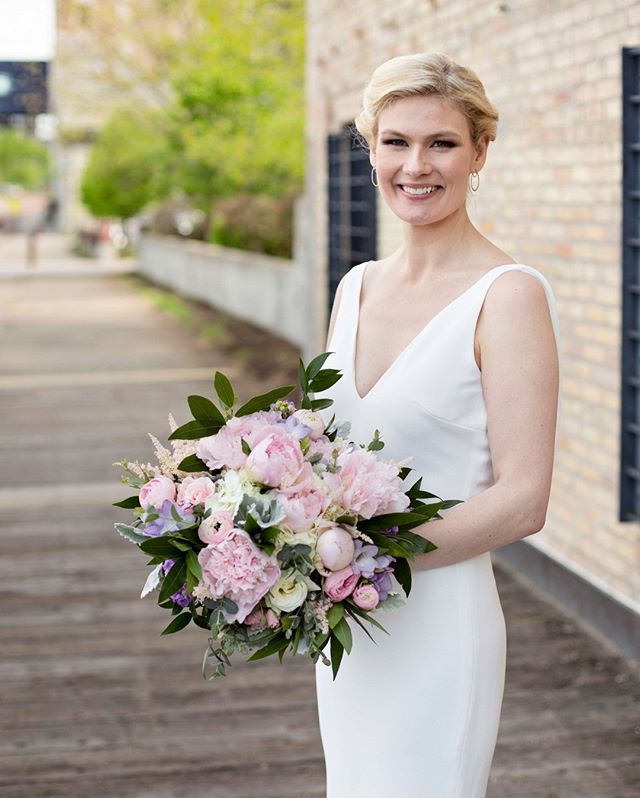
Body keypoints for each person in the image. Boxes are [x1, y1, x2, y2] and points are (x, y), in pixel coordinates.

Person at [314, 52, 560, 798]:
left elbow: (524, 498)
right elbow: (328, 458)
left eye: (441, 143)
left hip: (438, 625)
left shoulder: (507, 296)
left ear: (480, 151)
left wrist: (365, 560)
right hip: (347, 630)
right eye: (395, 142)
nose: (415, 166)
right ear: (371, 149)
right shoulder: (354, 286)